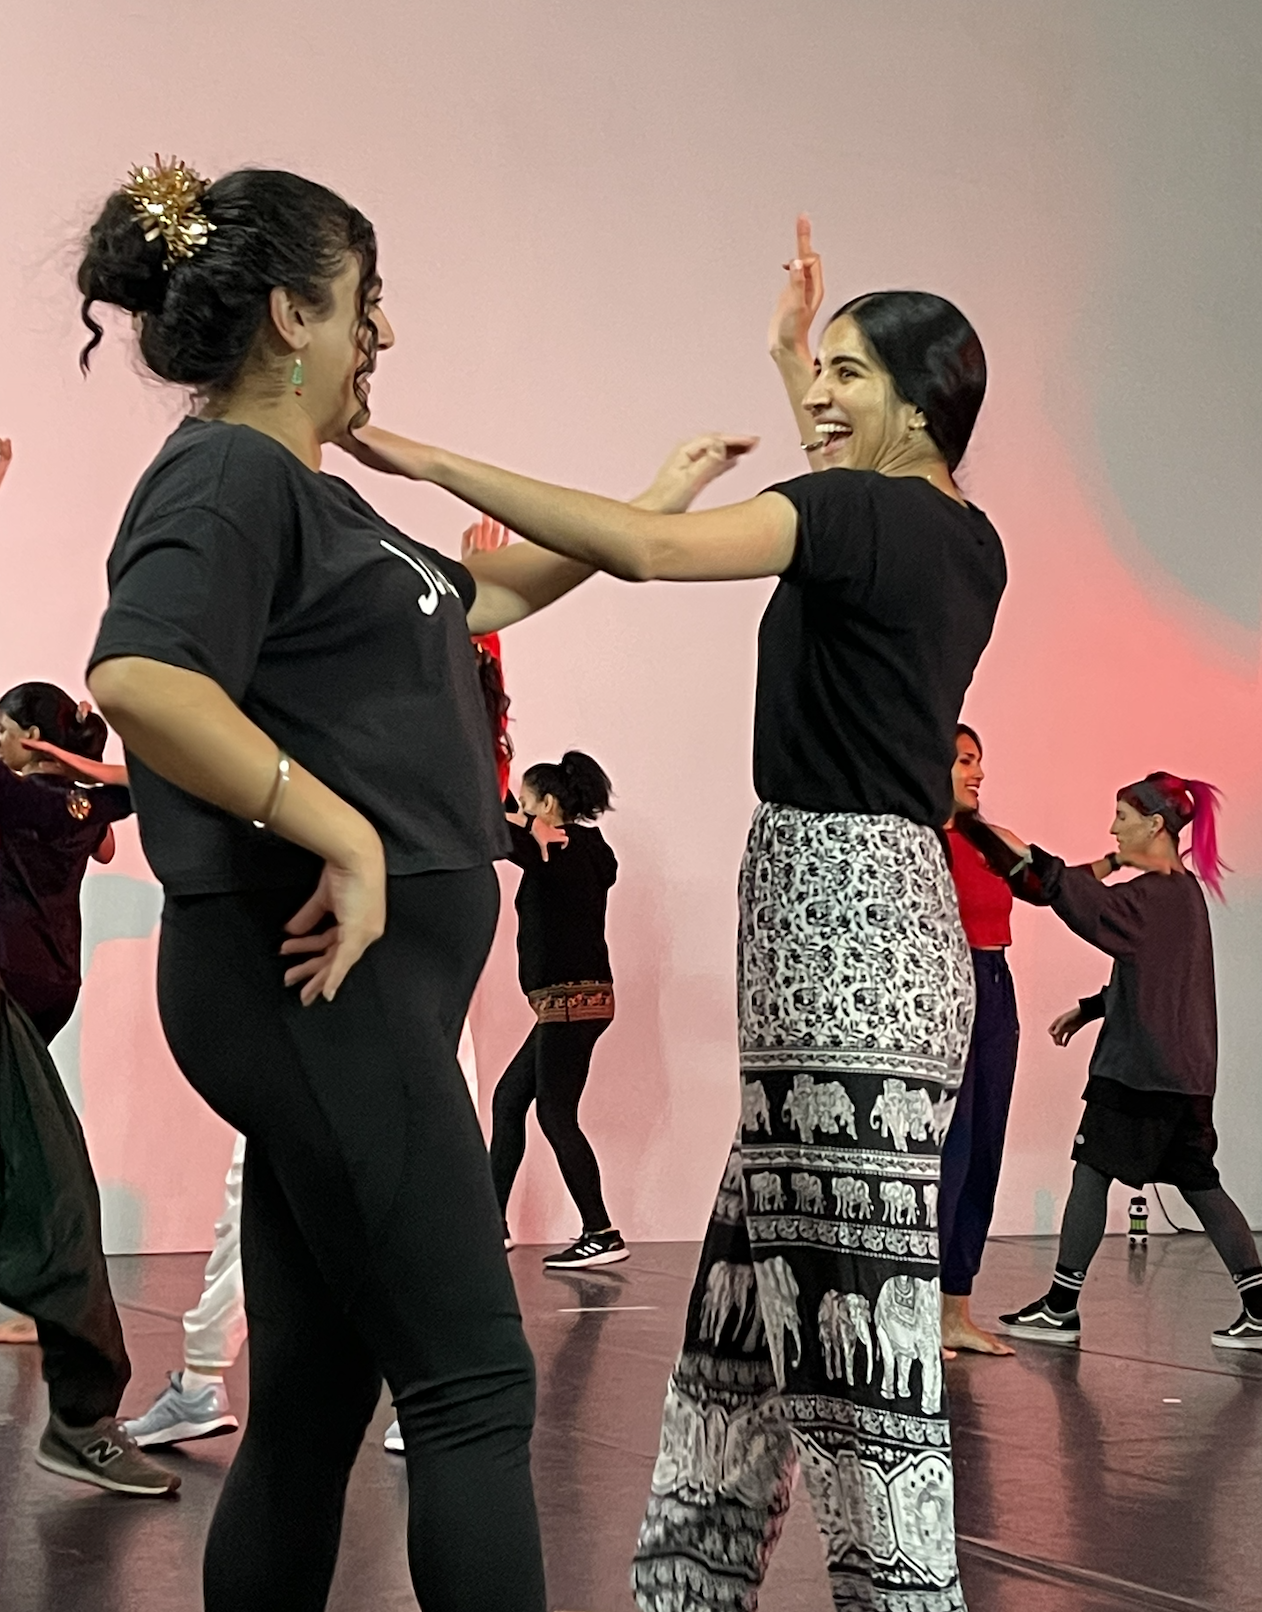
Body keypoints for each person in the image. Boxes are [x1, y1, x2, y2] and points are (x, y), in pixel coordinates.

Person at [77, 157, 741, 1612]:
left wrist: (648, 508)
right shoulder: (231, 471)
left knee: (314, 1411)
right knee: (474, 1391)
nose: (382, 336)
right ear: (290, 315)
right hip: (316, 984)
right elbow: (136, 672)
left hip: (349, 1000)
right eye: (367, 305)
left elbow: (481, 594)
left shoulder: (326, 508)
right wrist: (348, 833)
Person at [338, 219, 1006, 1610]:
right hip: (882, 937)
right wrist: (789, 362)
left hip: (843, 944)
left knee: (853, 1359)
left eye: (844, 377)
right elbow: (848, 505)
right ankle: (682, 1594)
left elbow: (649, 549)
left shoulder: (856, 517)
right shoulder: (961, 536)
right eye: (813, 373)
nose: (818, 400)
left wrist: (430, 459)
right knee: (735, 1345)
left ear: (918, 396)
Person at [998, 774, 1262, 1349]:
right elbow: (1155, 974)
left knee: (1091, 1168)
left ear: (1154, 825)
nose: (1113, 827)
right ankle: (1260, 1305)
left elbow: (1093, 911)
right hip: (1184, 1074)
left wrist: (1036, 861)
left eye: (1121, 816)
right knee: (1198, 1181)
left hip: (1143, 1072)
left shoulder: (1157, 896)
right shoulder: (1179, 892)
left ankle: (1062, 1307)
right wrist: (1093, 1007)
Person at [0, 675, 177, 1494]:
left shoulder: (59, 804)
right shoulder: (47, 804)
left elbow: (157, 779)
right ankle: (81, 1423)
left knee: (40, 1193)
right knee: (60, 1200)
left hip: (29, 1022)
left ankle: (79, 1422)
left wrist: (73, 762)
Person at [489, 749, 625, 1269]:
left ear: (547, 804)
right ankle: (490, 1224)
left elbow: (491, 818)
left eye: (528, 803)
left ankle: (601, 1230)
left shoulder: (558, 846)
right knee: (508, 1100)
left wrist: (514, 812)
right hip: (569, 1003)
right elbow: (498, 809)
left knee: (554, 1112)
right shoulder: (583, 848)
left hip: (570, 1002)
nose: (521, 811)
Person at [937, 725, 1026, 1355]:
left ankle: (955, 1310)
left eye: (980, 763)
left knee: (985, 1153)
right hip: (949, 990)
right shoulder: (919, 844)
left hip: (997, 987)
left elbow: (1049, 884)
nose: (978, 773)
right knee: (951, 1154)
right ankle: (918, 1312)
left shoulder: (988, 841)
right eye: (965, 761)